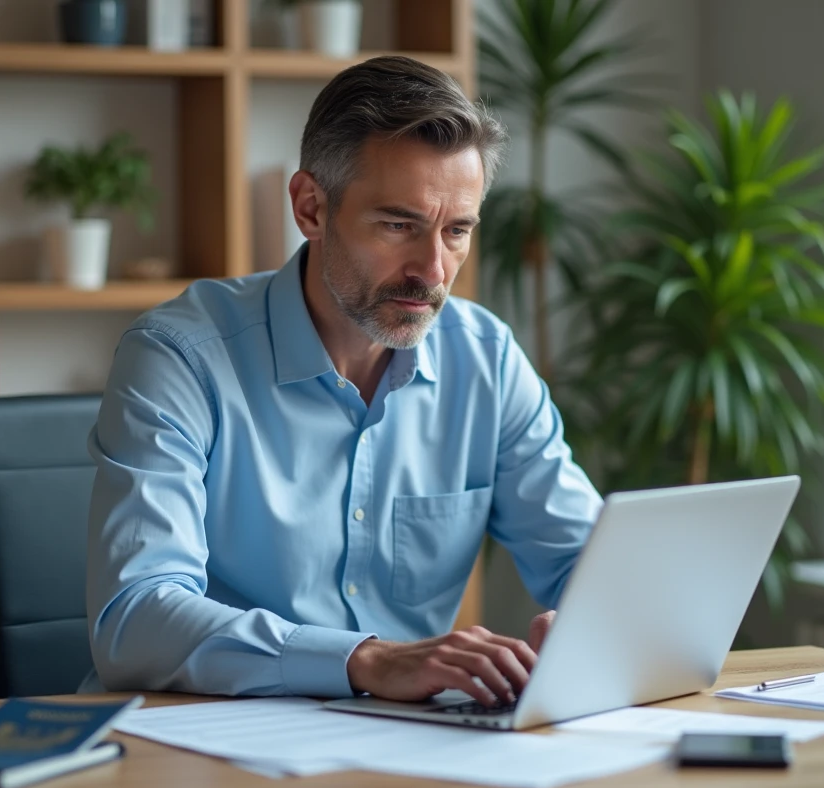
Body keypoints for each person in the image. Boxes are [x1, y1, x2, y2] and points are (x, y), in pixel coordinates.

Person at [80, 55, 603, 709]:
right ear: (310, 207)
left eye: (457, 231)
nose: (432, 270)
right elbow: (135, 619)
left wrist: (600, 621)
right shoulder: (180, 357)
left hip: (400, 746)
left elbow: (587, 559)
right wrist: (365, 661)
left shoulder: (487, 360)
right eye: (398, 225)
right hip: (203, 741)